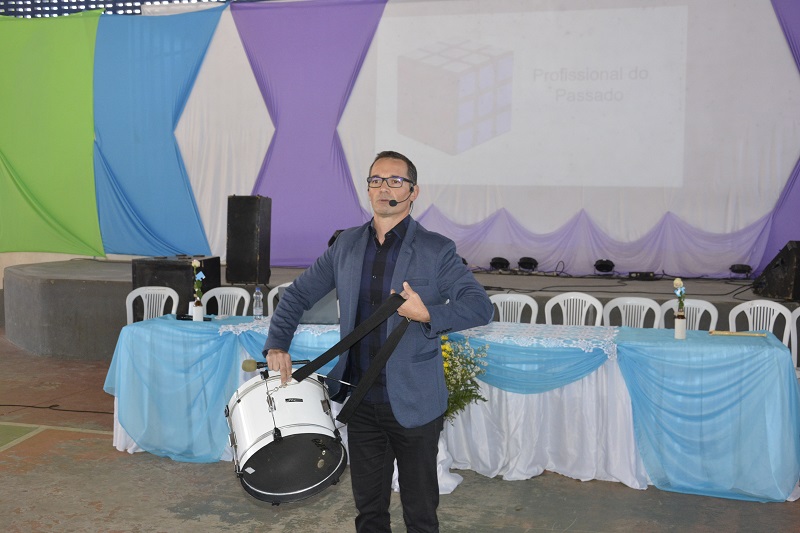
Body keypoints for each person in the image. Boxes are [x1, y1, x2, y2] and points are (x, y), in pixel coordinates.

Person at [263, 150, 493, 532]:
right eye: (376, 180)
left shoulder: (436, 249)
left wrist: (428, 314)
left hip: (415, 402)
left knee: (420, 515)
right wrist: (277, 344)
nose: (384, 187)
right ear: (368, 189)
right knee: (369, 513)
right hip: (361, 400)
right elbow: (298, 294)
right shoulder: (346, 245)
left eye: (395, 181)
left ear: (413, 191)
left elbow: (479, 306)